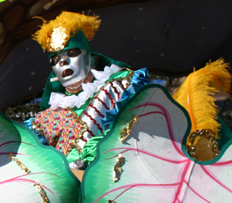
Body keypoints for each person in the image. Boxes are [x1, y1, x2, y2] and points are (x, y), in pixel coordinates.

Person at [28, 11, 149, 172]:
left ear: (93, 60)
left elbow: (134, 130)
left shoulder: (122, 86)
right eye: (55, 61)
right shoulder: (48, 116)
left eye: (71, 54)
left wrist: (90, 158)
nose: (63, 63)